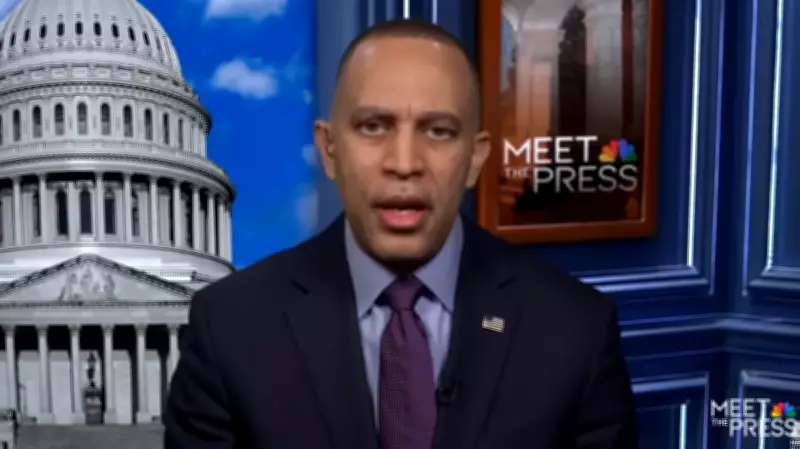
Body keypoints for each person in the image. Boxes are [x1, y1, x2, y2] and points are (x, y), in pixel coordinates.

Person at [164, 19, 637, 449]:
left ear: (475, 158)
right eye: (374, 126)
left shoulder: (577, 329)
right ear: (329, 149)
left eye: (439, 131)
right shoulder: (228, 329)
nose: (405, 163)